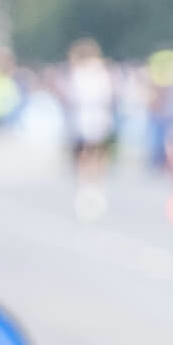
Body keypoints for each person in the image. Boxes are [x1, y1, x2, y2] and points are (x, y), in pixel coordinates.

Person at [63, 38, 116, 220]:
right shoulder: (101, 72)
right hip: (95, 118)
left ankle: (87, 189)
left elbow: (71, 97)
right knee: (95, 155)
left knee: (85, 156)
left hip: (85, 118)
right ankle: (94, 189)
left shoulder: (80, 73)